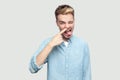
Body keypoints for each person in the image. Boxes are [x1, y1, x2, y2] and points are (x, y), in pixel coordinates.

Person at [29, 4, 91, 80]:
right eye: (62, 23)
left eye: (70, 22)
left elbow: (87, 76)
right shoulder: (48, 43)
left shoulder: (83, 45)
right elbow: (32, 68)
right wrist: (50, 45)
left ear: (74, 21)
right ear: (57, 23)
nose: (67, 26)